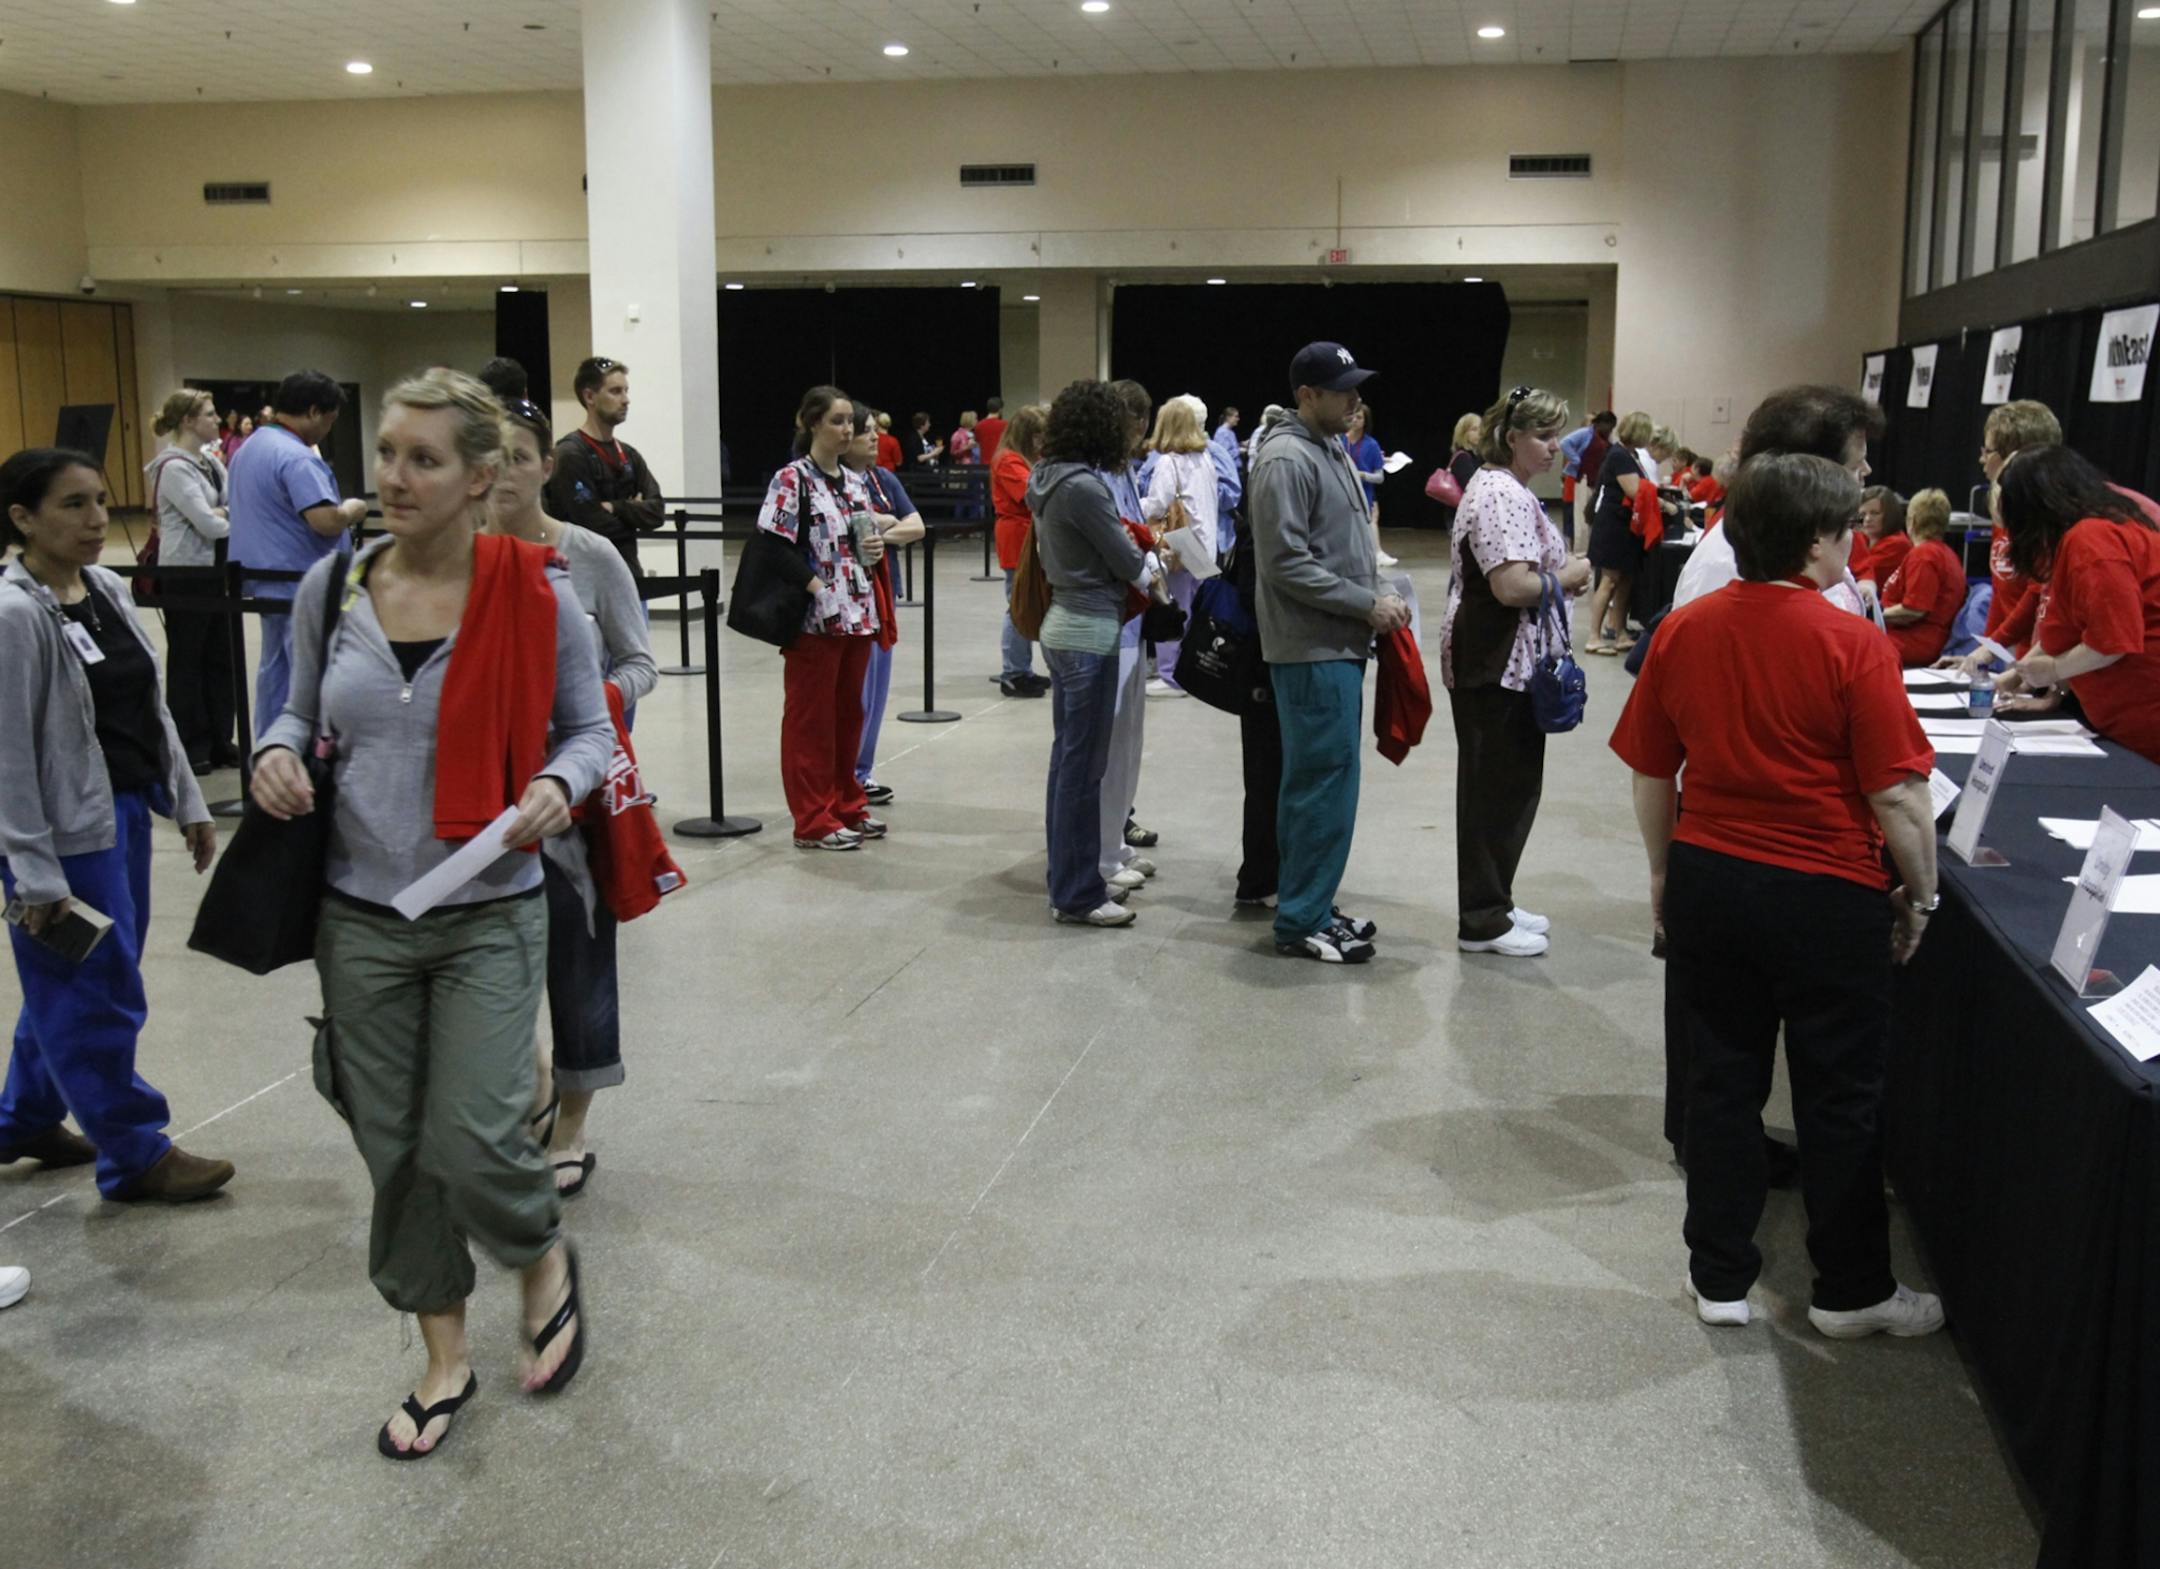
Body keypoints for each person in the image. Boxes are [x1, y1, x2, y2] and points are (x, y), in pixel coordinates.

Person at [252, 370, 611, 1457]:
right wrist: (274, 752)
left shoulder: (540, 594)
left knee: (470, 1136)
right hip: (357, 915)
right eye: (388, 454)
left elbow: (590, 733)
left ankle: (539, 1250)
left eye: (424, 459)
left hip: (487, 907)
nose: (395, 477)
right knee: (395, 1147)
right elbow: (293, 709)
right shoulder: (333, 587)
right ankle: (442, 1351)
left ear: (479, 478)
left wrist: (562, 784)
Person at [1612, 452, 1946, 1339]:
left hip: (1712, 877)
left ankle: (1718, 1275)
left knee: (1722, 1081)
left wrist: (1661, 871)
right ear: (1814, 541)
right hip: (1825, 888)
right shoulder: (1853, 642)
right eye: (1846, 529)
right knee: (1839, 1090)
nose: (1855, 542)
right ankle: (1850, 1288)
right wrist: (1924, 893)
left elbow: (1654, 768)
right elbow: (1899, 796)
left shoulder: (1684, 631)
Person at [0, 447, 231, 1203]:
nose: (98, 519)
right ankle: (134, 1153)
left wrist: (187, 798)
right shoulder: (12, 615)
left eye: (101, 500)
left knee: (71, 985)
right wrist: (33, 872)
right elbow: (6, 760)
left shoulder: (102, 587)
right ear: (22, 518)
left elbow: (148, 706)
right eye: (73, 505)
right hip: (59, 839)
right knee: (98, 992)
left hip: (120, 815)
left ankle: (23, 1118)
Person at [483, 396, 656, 1199]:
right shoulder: (453, 558)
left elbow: (638, 661)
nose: (504, 473)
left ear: (545, 465)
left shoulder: (588, 556)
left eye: (520, 456)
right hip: (480, 796)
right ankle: (534, 1078)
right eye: (488, 456)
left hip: (576, 794)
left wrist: (591, 713)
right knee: (487, 959)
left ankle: (574, 1122)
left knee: (579, 958)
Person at [1248, 342, 1408, 964]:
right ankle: (1301, 919)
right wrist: (1362, 602)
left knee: (1327, 780)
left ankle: (1311, 901)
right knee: (1321, 782)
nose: (1355, 399)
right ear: (1306, 396)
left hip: (1335, 640)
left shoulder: (1327, 447)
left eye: (1356, 389)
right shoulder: (1287, 458)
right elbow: (1285, 561)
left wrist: (1374, 590)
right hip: (1311, 645)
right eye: (1342, 390)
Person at [1440, 387, 1594, 959]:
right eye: (1545, 436)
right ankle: (1481, 919)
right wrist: (1569, 576)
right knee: (1493, 793)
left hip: (1507, 661)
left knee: (1510, 788)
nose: (1557, 447)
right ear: (1512, 438)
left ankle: (1495, 899)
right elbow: (1511, 586)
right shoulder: (1501, 493)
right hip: (1492, 661)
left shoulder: (1508, 489)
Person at [1026, 380, 1158, 928]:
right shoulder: (1083, 486)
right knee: (1083, 768)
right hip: (1089, 630)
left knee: (1070, 765)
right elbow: (1128, 560)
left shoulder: (1048, 477)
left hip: (1067, 626)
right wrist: (1143, 553)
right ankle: (1077, 892)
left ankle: (1073, 879)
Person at [757, 387, 889, 850]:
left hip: (857, 612)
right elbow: (773, 544)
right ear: (812, 423)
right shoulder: (792, 478)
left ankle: (846, 803)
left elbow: (861, 537)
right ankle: (812, 818)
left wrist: (872, 548)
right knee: (810, 719)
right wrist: (817, 588)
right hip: (816, 617)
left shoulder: (855, 480)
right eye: (837, 420)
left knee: (849, 713)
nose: (847, 429)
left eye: (850, 421)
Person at [1993, 446, 2160, 763]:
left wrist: (2053, 670)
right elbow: (2066, 628)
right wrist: (2024, 673)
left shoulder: (2091, 540)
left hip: (2145, 722)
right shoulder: (2089, 534)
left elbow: (2113, 641)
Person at [227, 370, 370, 739]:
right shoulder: (296, 457)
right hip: (300, 584)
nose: (327, 430)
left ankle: (271, 747)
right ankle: (306, 757)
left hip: (264, 581)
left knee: (275, 674)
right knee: (309, 676)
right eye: (329, 420)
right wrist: (352, 510)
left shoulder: (251, 448)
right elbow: (324, 519)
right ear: (312, 411)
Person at [1670, 386, 1885, 620]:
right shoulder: (1727, 561)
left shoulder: (1809, 533)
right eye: (1855, 466)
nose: (1867, 471)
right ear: (1805, 473)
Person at [146, 388, 238, 773]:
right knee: (188, 659)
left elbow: (233, 507)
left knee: (221, 656)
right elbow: (209, 523)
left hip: (217, 570)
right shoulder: (172, 468)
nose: (217, 420)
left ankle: (220, 738)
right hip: (184, 573)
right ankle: (191, 744)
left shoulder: (211, 462)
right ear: (187, 421)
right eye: (209, 414)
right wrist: (222, 514)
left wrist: (223, 512)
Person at [1097, 380, 1163, 896]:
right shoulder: (1095, 472)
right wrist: (1147, 563)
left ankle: (1115, 845)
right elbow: (1116, 543)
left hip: (1135, 622)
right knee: (1108, 744)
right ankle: (1098, 855)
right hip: (1108, 625)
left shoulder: (1125, 471)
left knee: (1130, 743)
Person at [843, 403, 926, 800]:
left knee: (876, 688)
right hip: (847, 598)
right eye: (866, 432)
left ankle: (863, 771)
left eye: (876, 430)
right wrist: (882, 522)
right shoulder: (832, 481)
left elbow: (916, 525)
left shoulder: (884, 480)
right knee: (853, 690)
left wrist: (881, 530)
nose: (876, 438)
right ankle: (844, 772)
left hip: (883, 594)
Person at [546, 356, 665, 585]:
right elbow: (591, 526)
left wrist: (616, 507)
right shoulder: (570, 454)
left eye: (626, 391)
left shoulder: (629, 454)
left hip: (630, 578)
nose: (626, 400)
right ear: (589, 396)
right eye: (615, 391)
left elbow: (657, 511)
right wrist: (634, 511)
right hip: (586, 584)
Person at [1142, 394, 1221, 698]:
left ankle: (1171, 675)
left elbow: (1157, 505)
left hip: (1181, 543)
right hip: (1205, 543)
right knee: (1196, 610)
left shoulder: (1168, 462)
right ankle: (1191, 671)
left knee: (1171, 605)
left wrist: (1133, 504)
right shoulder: (1205, 458)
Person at [990, 401, 1051, 699]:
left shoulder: (1022, 458)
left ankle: (1022, 668)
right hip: (1016, 537)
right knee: (1017, 605)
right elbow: (1032, 493)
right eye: (1038, 436)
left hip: (1026, 536)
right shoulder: (1009, 460)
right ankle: (1013, 673)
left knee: (1024, 603)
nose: (1042, 442)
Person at [1584, 410, 1658, 653]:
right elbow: (1635, 491)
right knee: (1609, 580)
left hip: (1626, 528)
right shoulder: (1619, 456)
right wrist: (1659, 499)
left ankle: (1620, 631)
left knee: (1625, 580)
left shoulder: (1631, 455)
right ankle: (1594, 636)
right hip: (1613, 527)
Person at [1879, 488, 1965, 667]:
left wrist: (1872, 616)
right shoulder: (1943, 553)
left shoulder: (1925, 555)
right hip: (1918, 638)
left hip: (1914, 641)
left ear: (1912, 520)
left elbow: (1915, 610)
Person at [1340, 403, 1394, 570]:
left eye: (1359, 417)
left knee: (1368, 523)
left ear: (1365, 421)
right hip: (1341, 491)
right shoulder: (1339, 440)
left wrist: (1362, 475)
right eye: (1352, 416)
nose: (1355, 420)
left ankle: (1374, 554)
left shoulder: (1371, 444)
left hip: (1363, 493)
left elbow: (1380, 477)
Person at [1560, 411, 1614, 549]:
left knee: (1590, 516)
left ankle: (1587, 548)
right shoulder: (1585, 433)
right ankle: (1578, 550)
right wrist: (1576, 460)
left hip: (1595, 481)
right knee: (1579, 518)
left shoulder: (1606, 439)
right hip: (1581, 479)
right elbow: (1565, 443)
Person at [1853, 485, 1908, 586]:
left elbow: (1860, 573)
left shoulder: (1898, 544)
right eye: (1862, 514)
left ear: (1889, 515)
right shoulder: (1862, 539)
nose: (1867, 519)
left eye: (1875, 513)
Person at [975, 397, 1007, 463]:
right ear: (1000, 409)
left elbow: (977, 443)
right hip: (1000, 462)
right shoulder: (1005, 425)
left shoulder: (978, 425)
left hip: (984, 464)